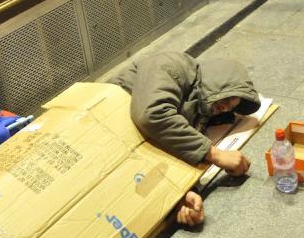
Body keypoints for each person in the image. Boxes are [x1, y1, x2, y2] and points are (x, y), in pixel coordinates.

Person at [107, 51, 260, 227]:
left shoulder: (199, 109)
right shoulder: (171, 64)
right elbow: (152, 116)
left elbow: (171, 141)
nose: (225, 108)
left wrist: (182, 192)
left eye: (230, 108)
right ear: (219, 79)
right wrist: (215, 154)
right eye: (229, 97)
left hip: (125, 150)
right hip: (98, 127)